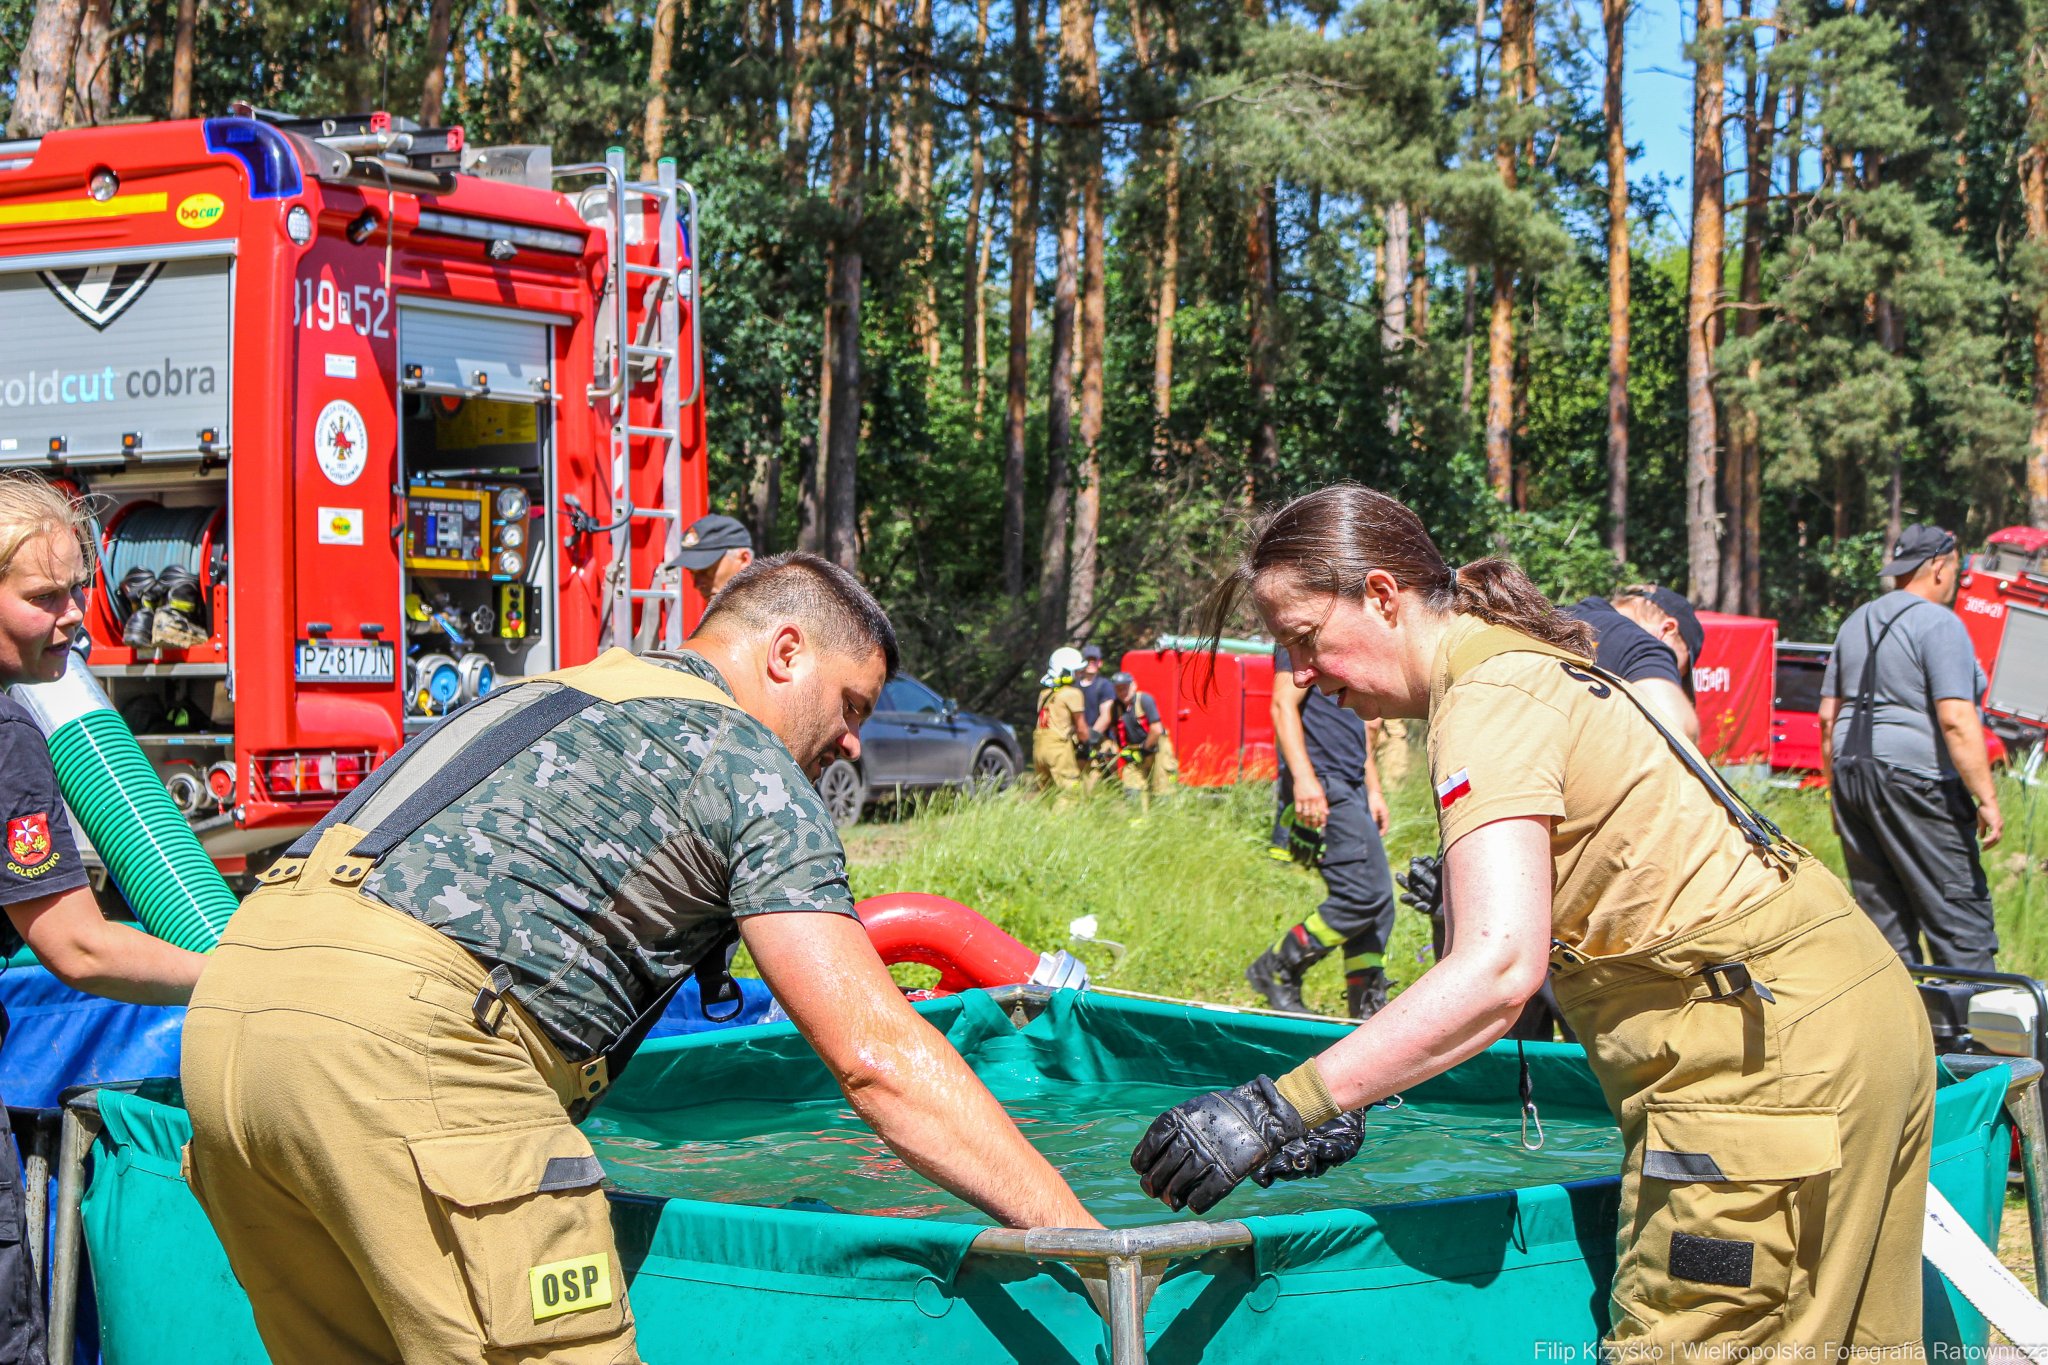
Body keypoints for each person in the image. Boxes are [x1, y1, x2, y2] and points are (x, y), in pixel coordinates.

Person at [182, 552, 1097, 1365]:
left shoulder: (544, 691)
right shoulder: (749, 762)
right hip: (407, 1045)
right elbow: (874, 1055)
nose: (854, 738)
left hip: (231, 1033)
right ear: (786, 653)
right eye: (852, 704)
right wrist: (1091, 1242)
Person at [1132, 485, 1932, 1358]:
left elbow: (1499, 971)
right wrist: (1365, 1085)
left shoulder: (1486, 697)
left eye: (1304, 639)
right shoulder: (1519, 661)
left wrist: (1276, 1107)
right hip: (1851, 1015)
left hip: (1762, 1064)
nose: (1304, 675)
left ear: (1382, 595)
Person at [0, 476, 207, 1364]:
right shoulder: (9, 735)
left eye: (78, 588)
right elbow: (79, 945)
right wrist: (246, 974)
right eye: (44, 597)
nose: (77, 617)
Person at [1819, 524, 2001, 970]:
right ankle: (1969, 1036)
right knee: (1959, 919)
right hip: (1914, 781)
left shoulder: (1855, 621)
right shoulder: (1940, 623)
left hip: (1850, 779)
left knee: (1885, 927)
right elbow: (1956, 720)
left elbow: (1828, 716)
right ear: (1938, 567)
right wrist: (1987, 798)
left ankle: (1898, 1036)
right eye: (1955, 567)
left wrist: (1836, 796)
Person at [1245, 639, 1397, 1020]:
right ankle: (1276, 968)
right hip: (1322, 783)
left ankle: (1365, 1007)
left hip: (1351, 784)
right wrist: (1305, 781)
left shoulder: (1342, 644)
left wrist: (1373, 789)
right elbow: (1282, 706)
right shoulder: (1299, 639)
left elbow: (1363, 730)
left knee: (1379, 908)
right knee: (1362, 895)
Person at [1564, 584, 1703, 744]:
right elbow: (1679, 730)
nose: (1669, 675)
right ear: (1667, 629)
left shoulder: (1557, 618)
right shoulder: (1642, 646)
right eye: (1675, 671)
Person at [1105, 671, 1177, 816]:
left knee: (1161, 788)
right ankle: (1137, 822)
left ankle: (1163, 822)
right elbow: (1116, 730)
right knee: (1131, 787)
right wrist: (1124, 752)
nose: (1122, 692)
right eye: (1118, 688)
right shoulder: (1115, 708)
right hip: (1133, 750)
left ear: (1133, 686)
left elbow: (1156, 729)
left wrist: (1144, 749)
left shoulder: (1145, 700)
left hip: (1157, 748)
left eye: (1125, 687)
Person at [1033, 646, 1092, 795]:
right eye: (1076, 671)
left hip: (1039, 749)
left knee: (1047, 795)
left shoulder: (1044, 694)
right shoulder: (1072, 693)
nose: (1079, 675)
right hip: (1058, 750)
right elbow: (1081, 729)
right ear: (1066, 672)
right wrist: (1087, 748)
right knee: (1070, 794)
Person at [669, 512, 755, 600]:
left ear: (744, 559)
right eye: (693, 573)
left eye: (706, 570)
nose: (697, 585)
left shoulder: (767, 610)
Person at [1076, 643, 1116, 736]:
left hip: (1098, 738)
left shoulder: (1105, 685)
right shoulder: (1075, 685)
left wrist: (1091, 737)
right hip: (1077, 737)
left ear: (1100, 663)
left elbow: (1106, 716)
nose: (1091, 663)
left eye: (1094, 660)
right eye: (1088, 660)